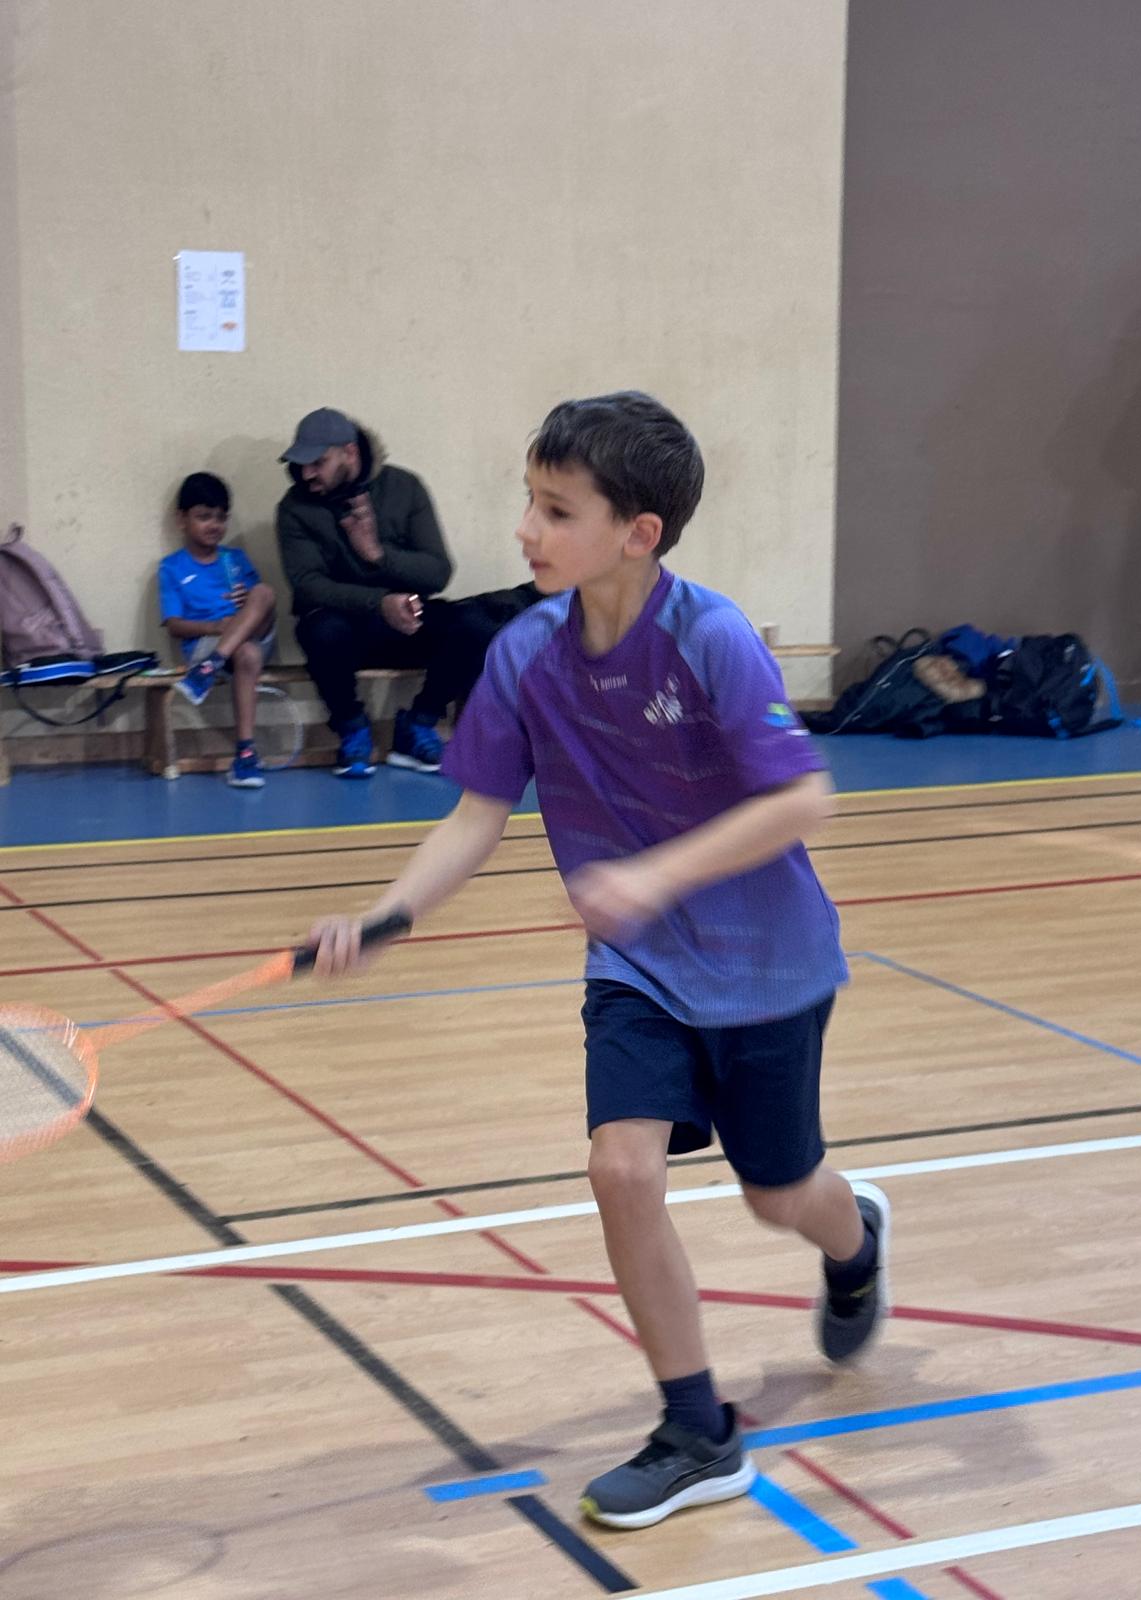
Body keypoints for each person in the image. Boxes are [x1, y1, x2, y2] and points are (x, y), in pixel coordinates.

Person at [306, 392, 889, 1530]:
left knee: (780, 1193)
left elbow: (802, 798)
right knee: (622, 1171)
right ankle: (697, 1430)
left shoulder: (710, 637)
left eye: (557, 510)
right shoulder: (525, 653)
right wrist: (384, 917)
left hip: (767, 965)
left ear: (638, 533)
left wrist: (656, 874)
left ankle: (854, 1235)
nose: (526, 528)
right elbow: (477, 814)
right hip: (638, 970)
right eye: (529, 500)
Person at [276, 408, 540, 779]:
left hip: (406, 619)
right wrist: (378, 603)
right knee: (320, 630)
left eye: (318, 463)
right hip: (344, 626)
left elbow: (437, 572)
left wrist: (377, 554)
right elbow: (308, 586)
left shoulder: (404, 488)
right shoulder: (295, 507)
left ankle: (419, 724)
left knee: (479, 625)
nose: (307, 474)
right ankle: (352, 731)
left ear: (349, 452)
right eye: (302, 464)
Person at [159, 472, 276, 789]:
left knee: (264, 592)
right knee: (247, 653)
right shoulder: (172, 567)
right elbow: (174, 626)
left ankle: (208, 670)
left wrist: (246, 602)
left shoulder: (234, 559)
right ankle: (246, 754)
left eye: (221, 517)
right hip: (206, 643)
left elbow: (261, 611)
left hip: (247, 636)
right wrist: (216, 627)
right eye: (204, 516)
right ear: (182, 519)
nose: (214, 525)